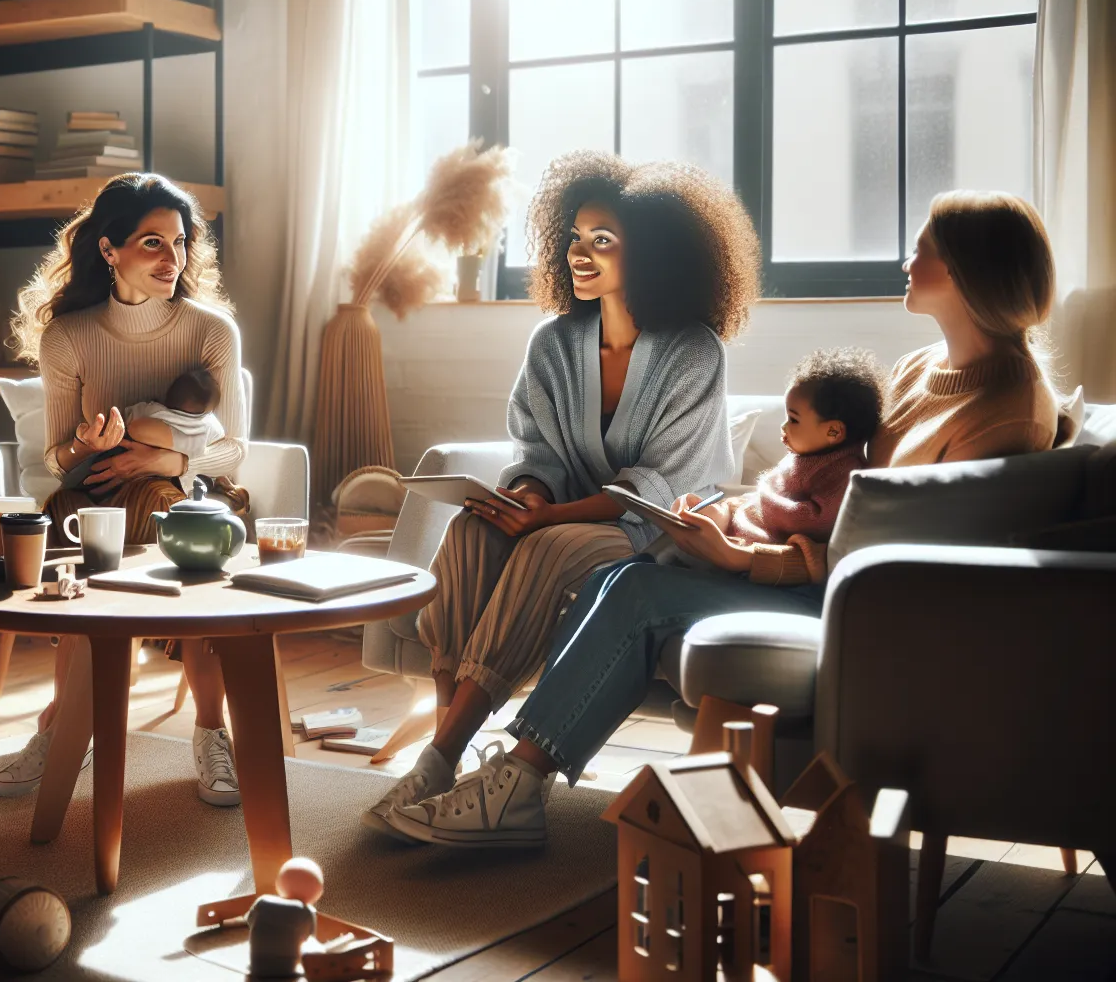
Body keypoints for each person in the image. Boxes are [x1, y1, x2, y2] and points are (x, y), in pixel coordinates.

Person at [384, 190, 1063, 848]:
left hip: (862, 605)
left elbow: (906, 554)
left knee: (639, 591)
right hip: (816, 576)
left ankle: (514, 789)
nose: (906, 261)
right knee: (616, 581)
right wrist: (733, 518)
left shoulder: (1011, 409)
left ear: (974, 271)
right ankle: (513, 781)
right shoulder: (922, 369)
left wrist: (745, 560)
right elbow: (838, 488)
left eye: (924, 249)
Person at [362, 151, 760, 837]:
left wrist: (551, 515)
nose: (580, 253)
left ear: (654, 253)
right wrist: (520, 495)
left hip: (659, 532)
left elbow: (657, 486)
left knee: (551, 546)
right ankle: (444, 747)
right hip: (564, 517)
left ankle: (438, 757)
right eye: (574, 238)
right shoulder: (553, 342)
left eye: (602, 240)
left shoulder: (695, 352)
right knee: (470, 532)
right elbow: (537, 452)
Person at [0, 173, 249, 806]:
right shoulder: (69, 337)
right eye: (151, 242)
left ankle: (209, 731)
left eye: (179, 243)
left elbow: (233, 451)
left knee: (170, 511)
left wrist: (158, 459)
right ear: (109, 250)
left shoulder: (212, 330)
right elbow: (57, 458)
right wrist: (90, 446)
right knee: (66, 513)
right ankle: (67, 721)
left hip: (193, 495)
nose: (172, 258)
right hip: (94, 496)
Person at [718, 348, 882, 545]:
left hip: (763, 543)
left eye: (794, 419)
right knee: (700, 513)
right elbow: (775, 488)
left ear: (833, 432)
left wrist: (763, 497)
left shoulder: (843, 473)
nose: (784, 426)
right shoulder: (803, 455)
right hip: (746, 522)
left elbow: (815, 522)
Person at [59, 367, 227, 492]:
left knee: (92, 474)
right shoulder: (209, 425)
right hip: (170, 473)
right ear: (209, 411)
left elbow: (131, 421)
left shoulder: (154, 410)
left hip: (125, 454)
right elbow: (221, 443)